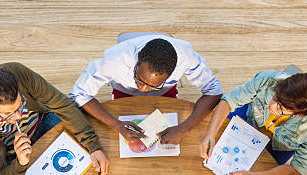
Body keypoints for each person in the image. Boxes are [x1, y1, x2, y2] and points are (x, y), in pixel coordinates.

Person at [0, 62, 109, 175]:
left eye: (20, 106)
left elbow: (62, 105)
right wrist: (20, 162)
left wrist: (93, 146)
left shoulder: (17, 72)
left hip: (44, 122)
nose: (19, 116)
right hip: (14, 155)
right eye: (10, 114)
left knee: (87, 160)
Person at [69, 36, 222, 145]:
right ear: (139, 56)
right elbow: (78, 94)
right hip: (124, 92)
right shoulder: (115, 60)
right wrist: (116, 125)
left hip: (164, 94)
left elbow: (214, 90)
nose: (143, 89)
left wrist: (184, 128)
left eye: (153, 84)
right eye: (139, 78)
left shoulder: (186, 57)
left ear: (174, 71)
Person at [200, 70, 307, 175]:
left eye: (281, 108)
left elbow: (297, 168)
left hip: (277, 147)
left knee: (261, 173)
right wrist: (210, 135)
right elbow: (229, 100)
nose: (272, 106)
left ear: (298, 115)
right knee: (214, 133)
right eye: (275, 97)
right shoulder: (269, 79)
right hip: (250, 117)